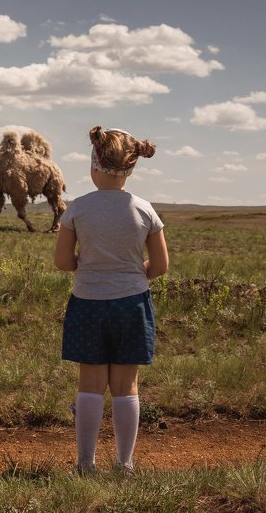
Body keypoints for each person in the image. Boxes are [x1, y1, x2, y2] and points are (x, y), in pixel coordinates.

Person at [54, 126, 169, 474]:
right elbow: (161, 265)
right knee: (126, 386)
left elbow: (62, 262)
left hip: (88, 302)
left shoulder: (77, 209)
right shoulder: (145, 210)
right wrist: (132, 276)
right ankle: (124, 465)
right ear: (131, 168)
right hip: (132, 304)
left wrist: (90, 269)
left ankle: (85, 464)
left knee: (89, 384)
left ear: (94, 166)